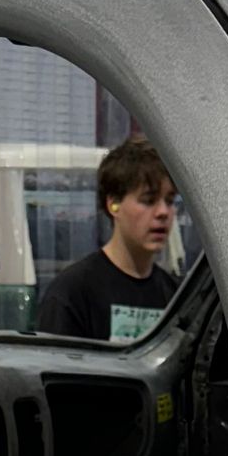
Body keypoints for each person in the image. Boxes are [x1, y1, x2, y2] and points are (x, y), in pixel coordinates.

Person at [35, 137, 179, 342]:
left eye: (170, 200)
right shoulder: (73, 293)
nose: (163, 212)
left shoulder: (176, 297)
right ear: (114, 204)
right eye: (148, 200)